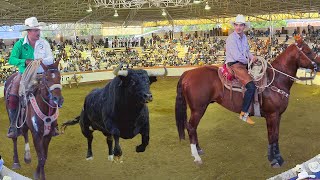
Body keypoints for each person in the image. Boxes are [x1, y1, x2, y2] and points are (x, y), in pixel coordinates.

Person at [7, 17, 59, 138]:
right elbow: (12, 59)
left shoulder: (44, 43)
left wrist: (39, 61)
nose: (38, 32)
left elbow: (50, 58)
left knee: (54, 91)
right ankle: (14, 125)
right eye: (35, 30)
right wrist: (25, 61)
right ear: (28, 31)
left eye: (38, 30)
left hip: (41, 74)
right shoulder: (20, 44)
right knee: (14, 92)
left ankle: (54, 124)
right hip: (24, 74)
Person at [225, 14, 257, 125]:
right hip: (234, 64)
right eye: (236, 25)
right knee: (251, 87)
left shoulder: (244, 37)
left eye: (241, 25)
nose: (238, 27)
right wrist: (249, 61)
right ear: (234, 26)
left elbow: (247, 51)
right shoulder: (231, 39)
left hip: (242, 63)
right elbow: (237, 56)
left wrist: (252, 57)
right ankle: (243, 113)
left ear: (244, 26)